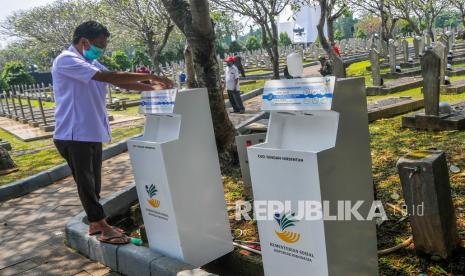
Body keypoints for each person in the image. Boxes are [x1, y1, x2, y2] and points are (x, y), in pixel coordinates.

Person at [52, 21, 173, 245]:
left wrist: (154, 89)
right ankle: (102, 226)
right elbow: (110, 77)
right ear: (83, 41)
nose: (102, 49)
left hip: (89, 132)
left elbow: (122, 84)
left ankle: (97, 224)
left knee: (94, 182)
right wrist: (154, 78)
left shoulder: (90, 60)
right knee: (86, 183)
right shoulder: (67, 60)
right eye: (99, 44)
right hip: (72, 133)